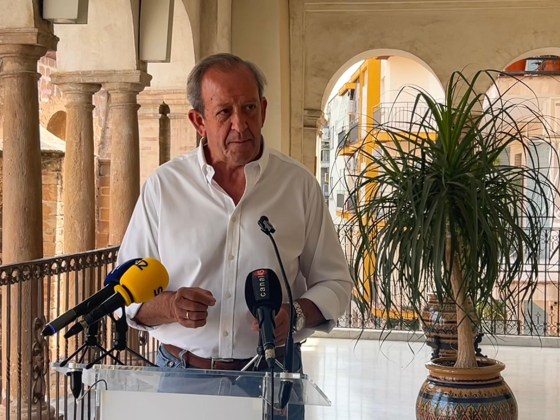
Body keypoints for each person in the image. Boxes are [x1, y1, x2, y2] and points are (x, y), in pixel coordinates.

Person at [117, 52, 353, 419]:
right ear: (199, 120)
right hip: (183, 379)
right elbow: (125, 295)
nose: (240, 124)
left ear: (263, 109)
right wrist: (171, 306)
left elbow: (335, 283)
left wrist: (295, 315)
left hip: (274, 378)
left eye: (249, 108)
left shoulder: (298, 186)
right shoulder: (164, 188)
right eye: (224, 112)